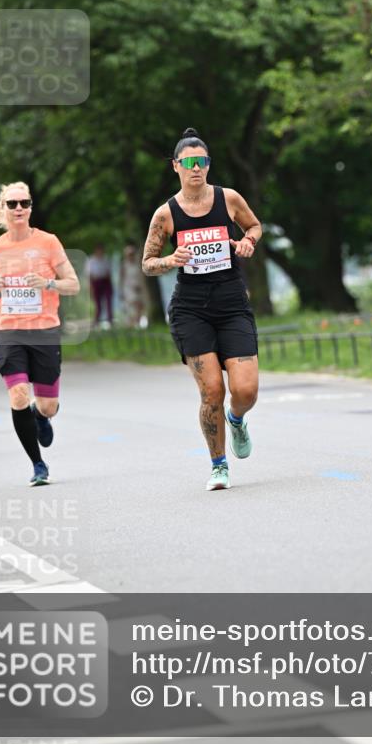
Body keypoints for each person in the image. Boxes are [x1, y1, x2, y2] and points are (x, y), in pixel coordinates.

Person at [142, 128, 262, 491]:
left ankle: (237, 419)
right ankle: (219, 465)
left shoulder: (229, 199)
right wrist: (170, 259)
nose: (197, 169)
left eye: (203, 162)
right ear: (176, 166)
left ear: (208, 165)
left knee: (246, 391)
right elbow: (147, 263)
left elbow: (254, 226)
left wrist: (247, 243)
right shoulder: (166, 214)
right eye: (189, 163)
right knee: (211, 390)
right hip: (191, 308)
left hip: (231, 303)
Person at [0, 182, 80, 486]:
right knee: (18, 395)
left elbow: (73, 284)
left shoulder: (49, 243)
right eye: (12, 203)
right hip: (9, 331)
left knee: (48, 406)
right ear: (2, 209)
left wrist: (47, 284)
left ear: (31, 207)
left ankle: (40, 416)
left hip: (45, 331)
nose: (19, 208)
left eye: (25, 203)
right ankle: (38, 465)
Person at [119, 244, 147, 327]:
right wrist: (121, 291)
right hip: (128, 289)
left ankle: (136, 324)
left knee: (140, 306)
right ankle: (132, 324)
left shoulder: (138, 264)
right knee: (134, 306)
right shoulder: (124, 265)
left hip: (138, 287)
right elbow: (122, 279)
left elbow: (141, 277)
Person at [86, 244, 113, 327]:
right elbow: (89, 275)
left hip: (105, 281)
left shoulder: (106, 259)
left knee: (108, 301)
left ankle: (110, 319)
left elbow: (108, 273)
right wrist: (90, 286)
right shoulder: (91, 261)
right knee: (98, 303)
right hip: (96, 282)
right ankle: (97, 320)